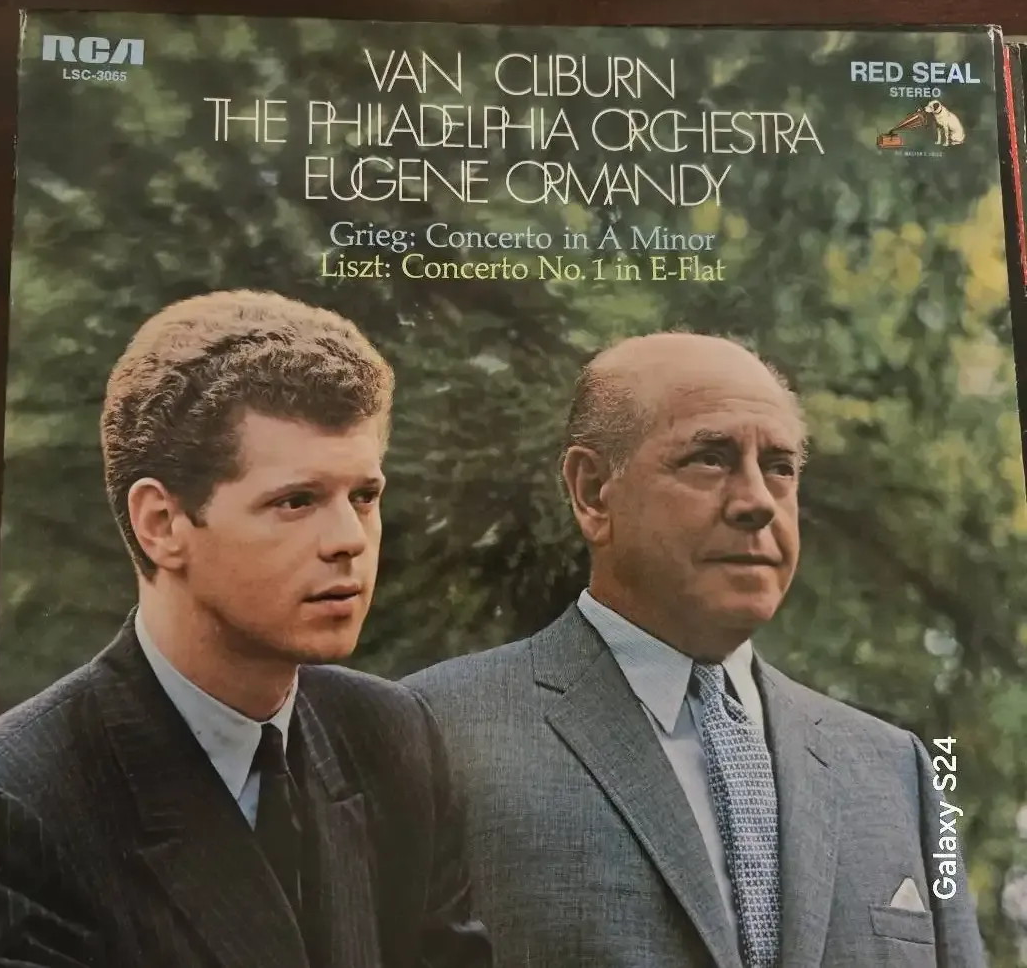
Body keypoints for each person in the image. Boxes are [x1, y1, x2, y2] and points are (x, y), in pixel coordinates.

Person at [404, 331, 986, 968]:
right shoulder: (432, 732)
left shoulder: (898, 770)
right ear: (593, 492)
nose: (758, 502)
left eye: (780, 467)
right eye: (710, 459)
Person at [0, 289, 491, 968]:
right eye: (296, 500)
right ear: (162, 524)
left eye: (364, 496)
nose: (349, 539)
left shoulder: (392, 736)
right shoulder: (17, 801)